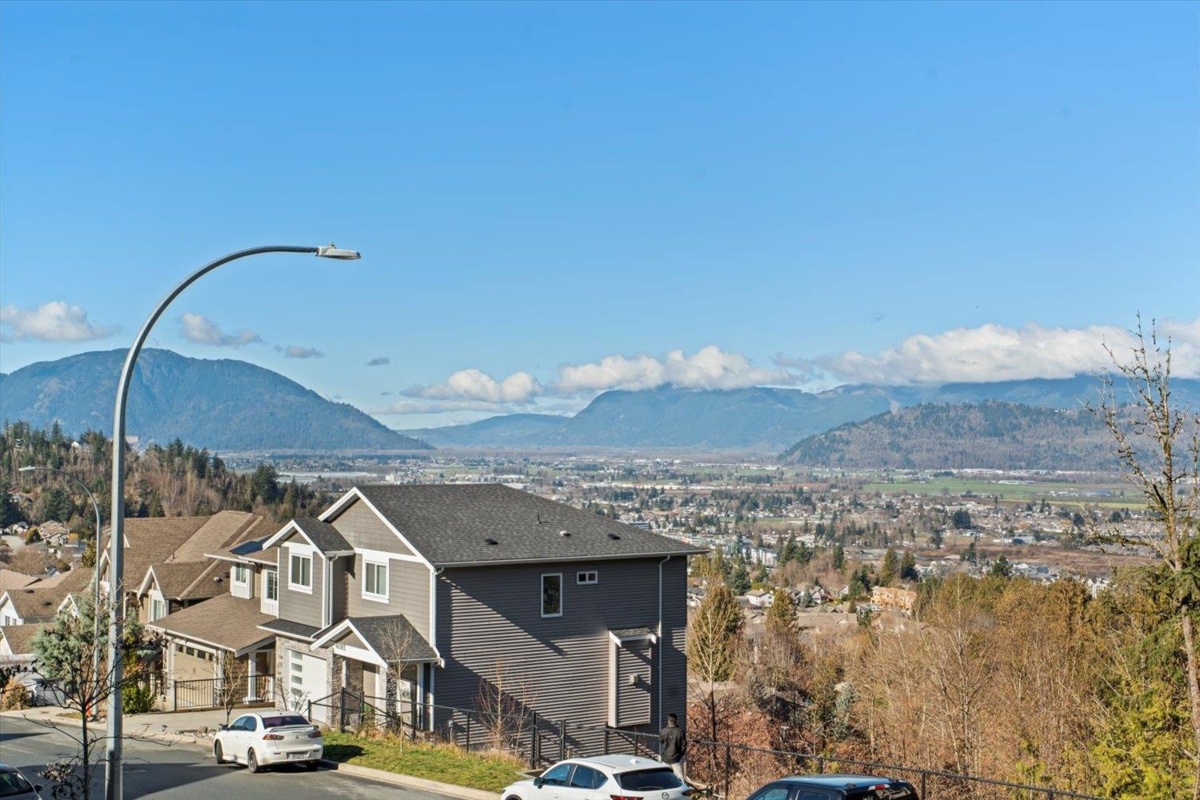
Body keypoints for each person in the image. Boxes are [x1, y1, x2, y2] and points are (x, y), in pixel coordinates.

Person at [659, 713, 686, 781]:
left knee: (665, 776)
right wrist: (680, 754)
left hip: (665, 757)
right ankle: (682, 790)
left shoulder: (663, 731)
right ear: (676, 721)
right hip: (676, 758)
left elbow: (660, 741)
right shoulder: (680, 732)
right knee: (680, 777)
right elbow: (684, 744)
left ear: (668, 721)